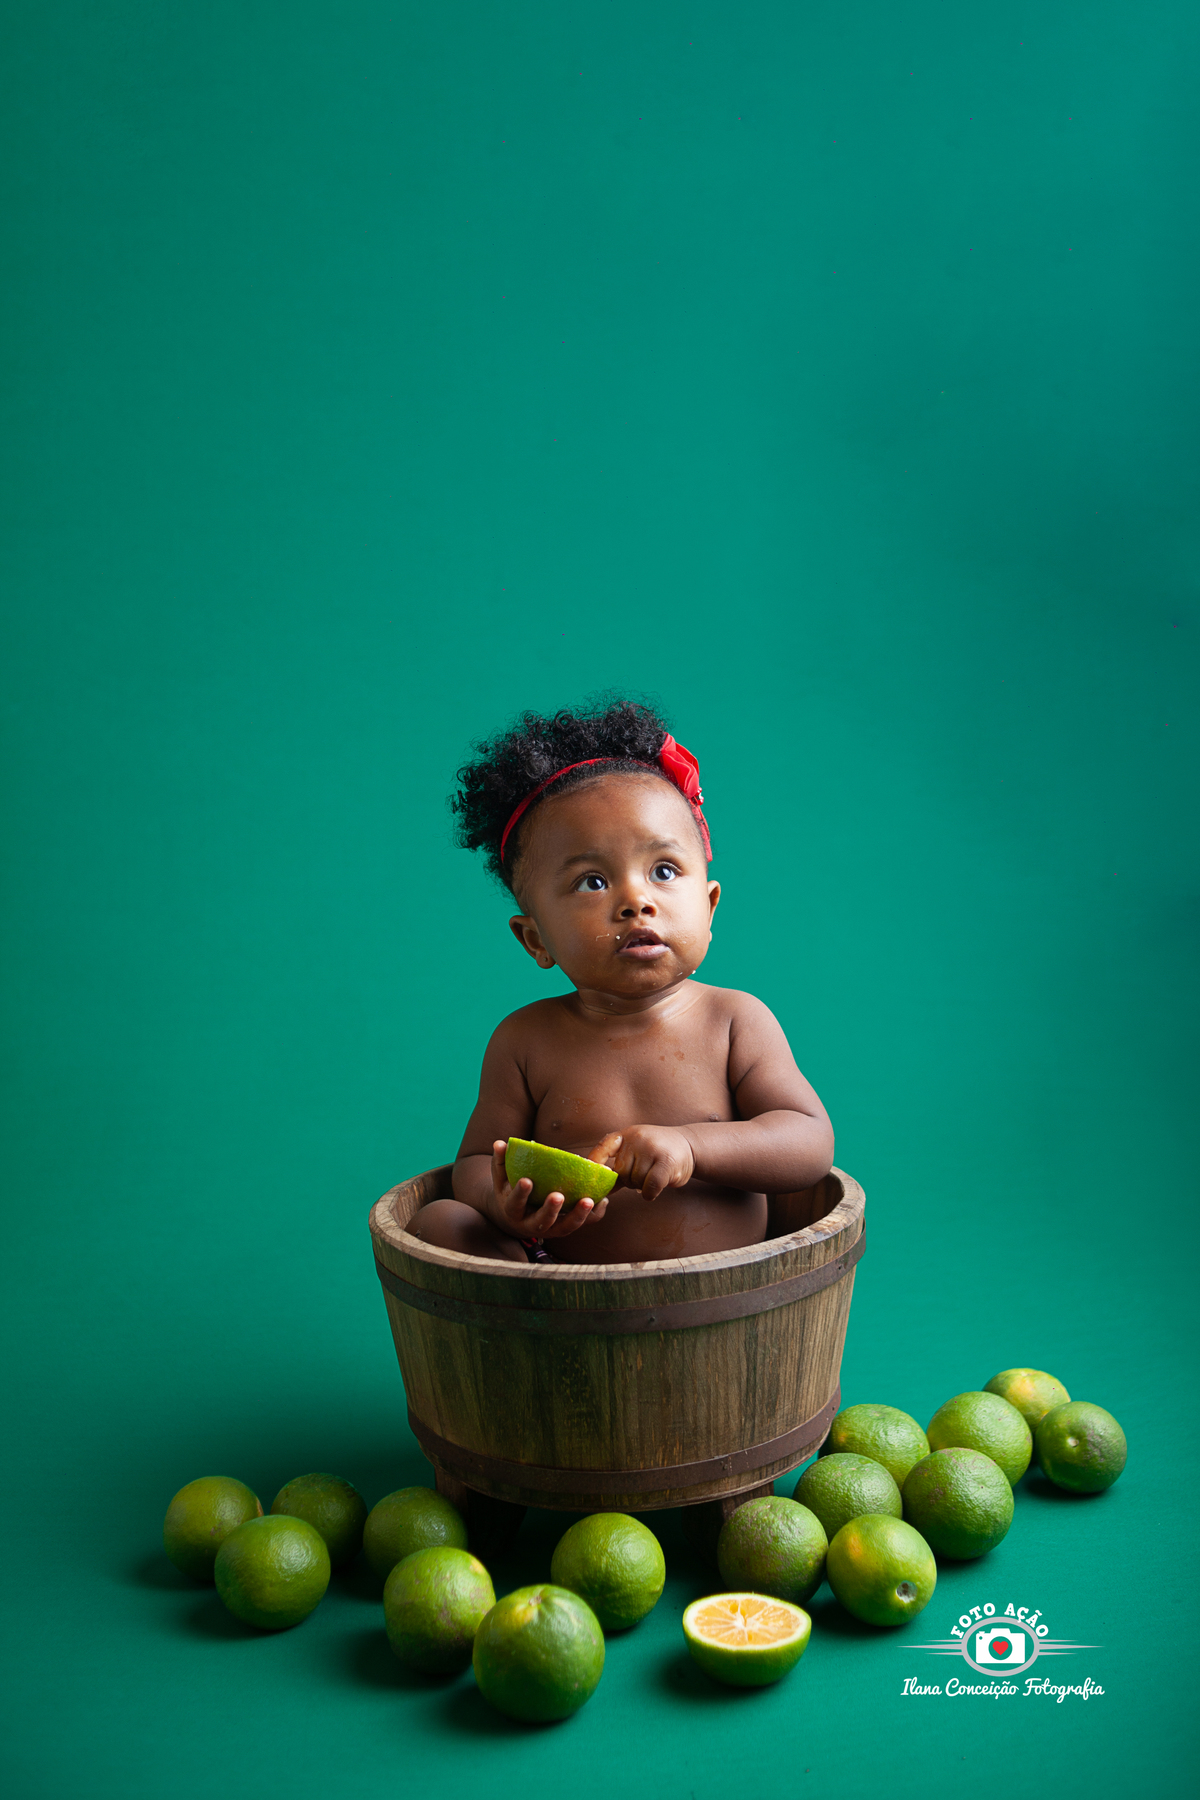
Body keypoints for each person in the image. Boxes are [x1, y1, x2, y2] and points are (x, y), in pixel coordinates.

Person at [408, 699, 834, 1264]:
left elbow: (808, 1142)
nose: (637, 900)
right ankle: (528, 1307)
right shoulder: (525, 1040)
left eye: (664, 870)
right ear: (535, 939)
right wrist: (503, 1203)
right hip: (561, 1283)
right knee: (439, 1221)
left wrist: (692, 1146)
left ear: (709, 908)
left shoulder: (734, 1021)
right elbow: (473, 1164)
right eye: (592, 881)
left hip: (721, 1288)